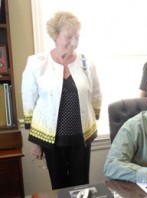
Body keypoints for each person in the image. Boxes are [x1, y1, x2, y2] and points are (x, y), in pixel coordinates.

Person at [21, 11, 102, 189]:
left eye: (77, 37)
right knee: (59, 185)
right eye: (68, 37)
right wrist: (36, 141)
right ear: (55, 35)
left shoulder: (86, 63)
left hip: (81, 137)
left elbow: (96, 93)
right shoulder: (37, 63)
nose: (73, 42)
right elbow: (29, 101)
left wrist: (93, 116)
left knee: (81, 185)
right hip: (51, 138)